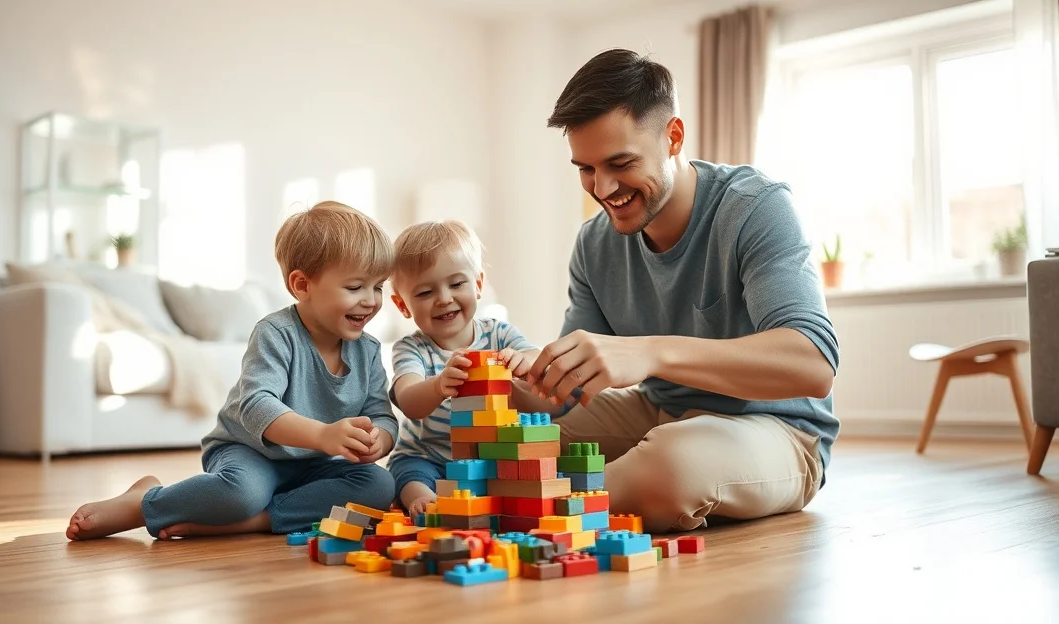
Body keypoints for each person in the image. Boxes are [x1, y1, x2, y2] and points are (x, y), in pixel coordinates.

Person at [526, 49, 840, 533]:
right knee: (513, 437)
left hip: (779, 429)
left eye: (621, 162)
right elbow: (569, 391)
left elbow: (814, 364)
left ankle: (539, 509)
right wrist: (518, 376)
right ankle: (562, 498)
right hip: (661, 413)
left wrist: (651, 353)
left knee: (669, 467)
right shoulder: (594, 243)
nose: (603, 188)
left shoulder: (756, 208)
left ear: (673, 137)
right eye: (586, 168)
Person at [65, 201, 398, 541]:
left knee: (380, 485)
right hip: (251, 453)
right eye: (355, 288)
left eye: (378, 287)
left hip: (317, 464)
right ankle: (146, 502)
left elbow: (380, 413)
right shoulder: (276, 333)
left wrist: (379, 439)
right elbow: (257, 406)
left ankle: (259, 520)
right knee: (241, 493)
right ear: (302, 285)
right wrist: (322, 436)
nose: (371, 300)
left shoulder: (368, 351)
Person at [386, 220, 549, 518]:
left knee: (533, 469)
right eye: (424, 293)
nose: (444, 298)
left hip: (492, 457)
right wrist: (438, 385)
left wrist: (524, 361)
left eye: (457, 284)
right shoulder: (412, 349)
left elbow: (537, 358)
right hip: (431, 457)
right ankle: (423, 502)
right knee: (408, 473)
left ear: (478, 285)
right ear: (402, 306)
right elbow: (408, 400)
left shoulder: (500, 335)